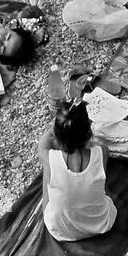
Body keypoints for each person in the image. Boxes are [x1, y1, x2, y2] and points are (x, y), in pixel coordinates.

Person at [38, 100, 117, 242]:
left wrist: (59, 125)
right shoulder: (102, 152)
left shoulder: (47, 156)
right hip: (102, 224)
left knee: (48, 173)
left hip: (60, 230)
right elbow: (97, 142)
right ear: (88, 132)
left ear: (57, 135)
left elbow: (43, 143)